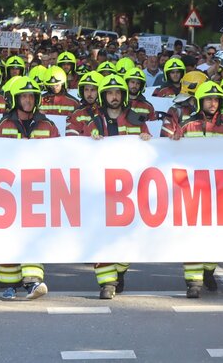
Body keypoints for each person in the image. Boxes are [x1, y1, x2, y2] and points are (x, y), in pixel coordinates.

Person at [0, 77, 60, 300]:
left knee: (33, 234)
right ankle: (10, 285)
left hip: (36, 189)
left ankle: (33, 282)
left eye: (31, 96)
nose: (28, 100)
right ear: (15, 99)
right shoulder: (0, 126)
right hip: (6, 191)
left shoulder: (48, 125)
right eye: (24, 96)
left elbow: (61, 154)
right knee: (7, 235)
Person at [84, 74, 152, 299]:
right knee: (100, 237)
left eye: (118, 93)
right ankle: (107, 284)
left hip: (131, 191)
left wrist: (146, 139)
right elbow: (79, 154)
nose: (114, 97)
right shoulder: (94, 123)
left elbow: (153, 152)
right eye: (110, 93)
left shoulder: (137, 120)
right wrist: (89, 143)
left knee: (133, 237)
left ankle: (119, 270)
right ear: (104, 96)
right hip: (101, 192)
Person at [169, 81, 223, 298]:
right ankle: (193, 282)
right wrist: (173, 141)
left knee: (216, 236)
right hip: (192, 191)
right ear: (199, 101)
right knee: (191, 236)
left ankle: (208, 271)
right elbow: (171, 155)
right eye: (208, 99)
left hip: (219, 192)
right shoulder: (187, 126)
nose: (212, 103)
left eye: (216, 99)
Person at [66, 71, 101, 136]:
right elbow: (71, 140)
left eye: (93, 90)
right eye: (86, 89)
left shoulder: (108, 112)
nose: (89, 94)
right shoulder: (75, 114)